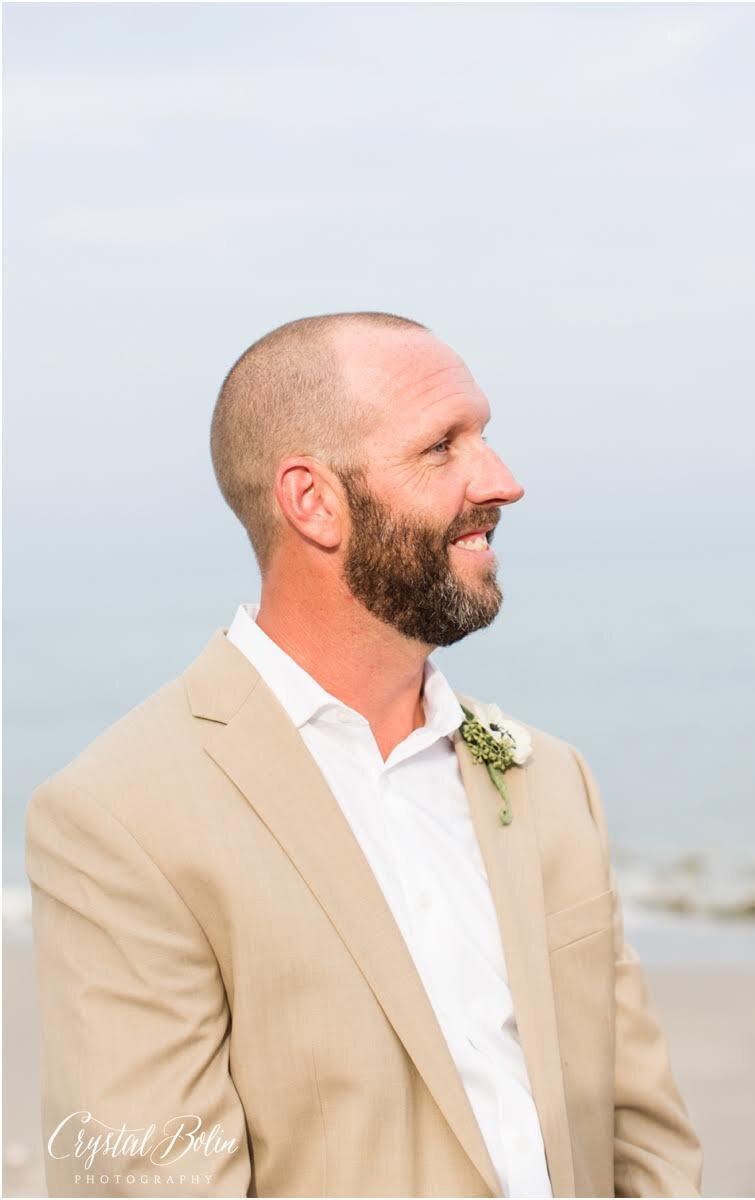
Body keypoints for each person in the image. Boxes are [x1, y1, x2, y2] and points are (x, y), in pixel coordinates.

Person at [26, 313, 702, 1199]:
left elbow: (642, 1137)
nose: (501, 480)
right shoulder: (120, 818)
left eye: (485, 437)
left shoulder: (552, 780)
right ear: (313, 501)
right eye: (441, 447)